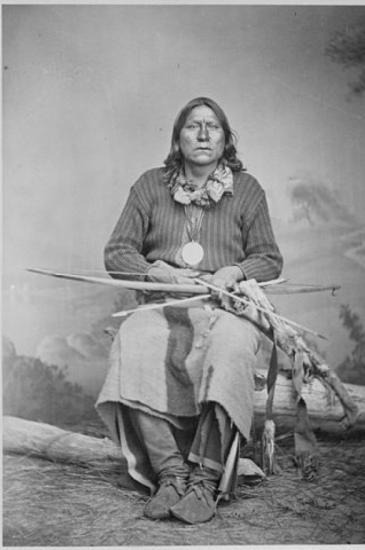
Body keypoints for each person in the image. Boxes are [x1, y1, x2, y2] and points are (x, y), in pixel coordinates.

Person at [96, 97, 283, 524]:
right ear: (177, 139)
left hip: (227, 307)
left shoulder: (247, 189)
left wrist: (234, 271)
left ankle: (205, 479)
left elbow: (270, 259)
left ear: (225, 138)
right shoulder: (149, 185)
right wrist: (153, 270)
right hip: (165, 304)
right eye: (193, 127)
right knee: (134, 338)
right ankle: (170, 474)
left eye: (212, 127)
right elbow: (117, 252)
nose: (202, 135)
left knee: (232, 347)